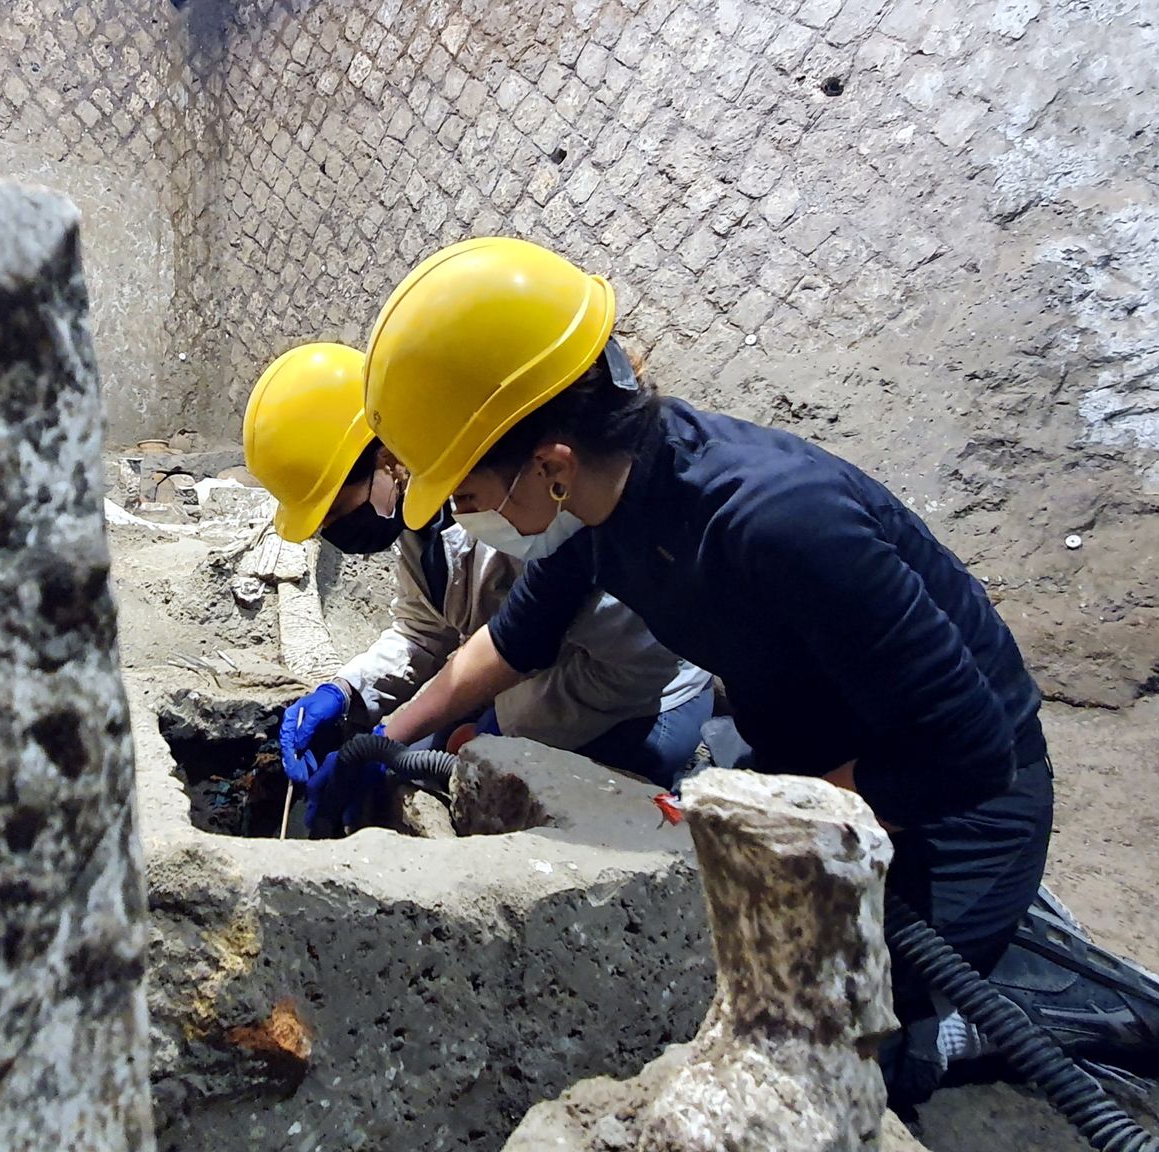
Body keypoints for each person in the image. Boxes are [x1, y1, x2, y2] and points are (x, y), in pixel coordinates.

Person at [358, 237, 1053, 1106]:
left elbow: (967, 753)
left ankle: (1005, 1011)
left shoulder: (780, 522)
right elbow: (509, 643)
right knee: (703, 969)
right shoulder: (606, 506)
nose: (463, 518)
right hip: (819, 763)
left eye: (465, 493)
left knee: (823, 1053)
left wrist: (751, 816)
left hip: (963, 803)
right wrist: (378, 737)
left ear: (551, 464)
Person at [241, 342, 713, 834]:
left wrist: (499, 727)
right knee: (413, 761)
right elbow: (423, 633)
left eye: (338, 509)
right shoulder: (416, 517)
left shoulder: (528, 506)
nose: (340, 530)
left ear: (386, 459)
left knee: (478, 800)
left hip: (636, 704)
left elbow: (631, 670)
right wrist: (345, 692)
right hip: (523, 681)